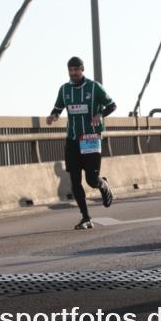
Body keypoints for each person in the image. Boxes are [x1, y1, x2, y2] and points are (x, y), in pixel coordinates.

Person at [46, 56, 115, 230]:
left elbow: (112, 105)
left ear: (82, 69)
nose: (74, 73)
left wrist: (100, 115)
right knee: (75, 180)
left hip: (91, 138)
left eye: (76, 70)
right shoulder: (64, 89)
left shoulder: (94, 87)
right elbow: (58, 108)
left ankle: (102, 184)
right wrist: (53, 116)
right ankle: (86, 218)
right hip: (72, 139)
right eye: (71, 70)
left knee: (91, 179)